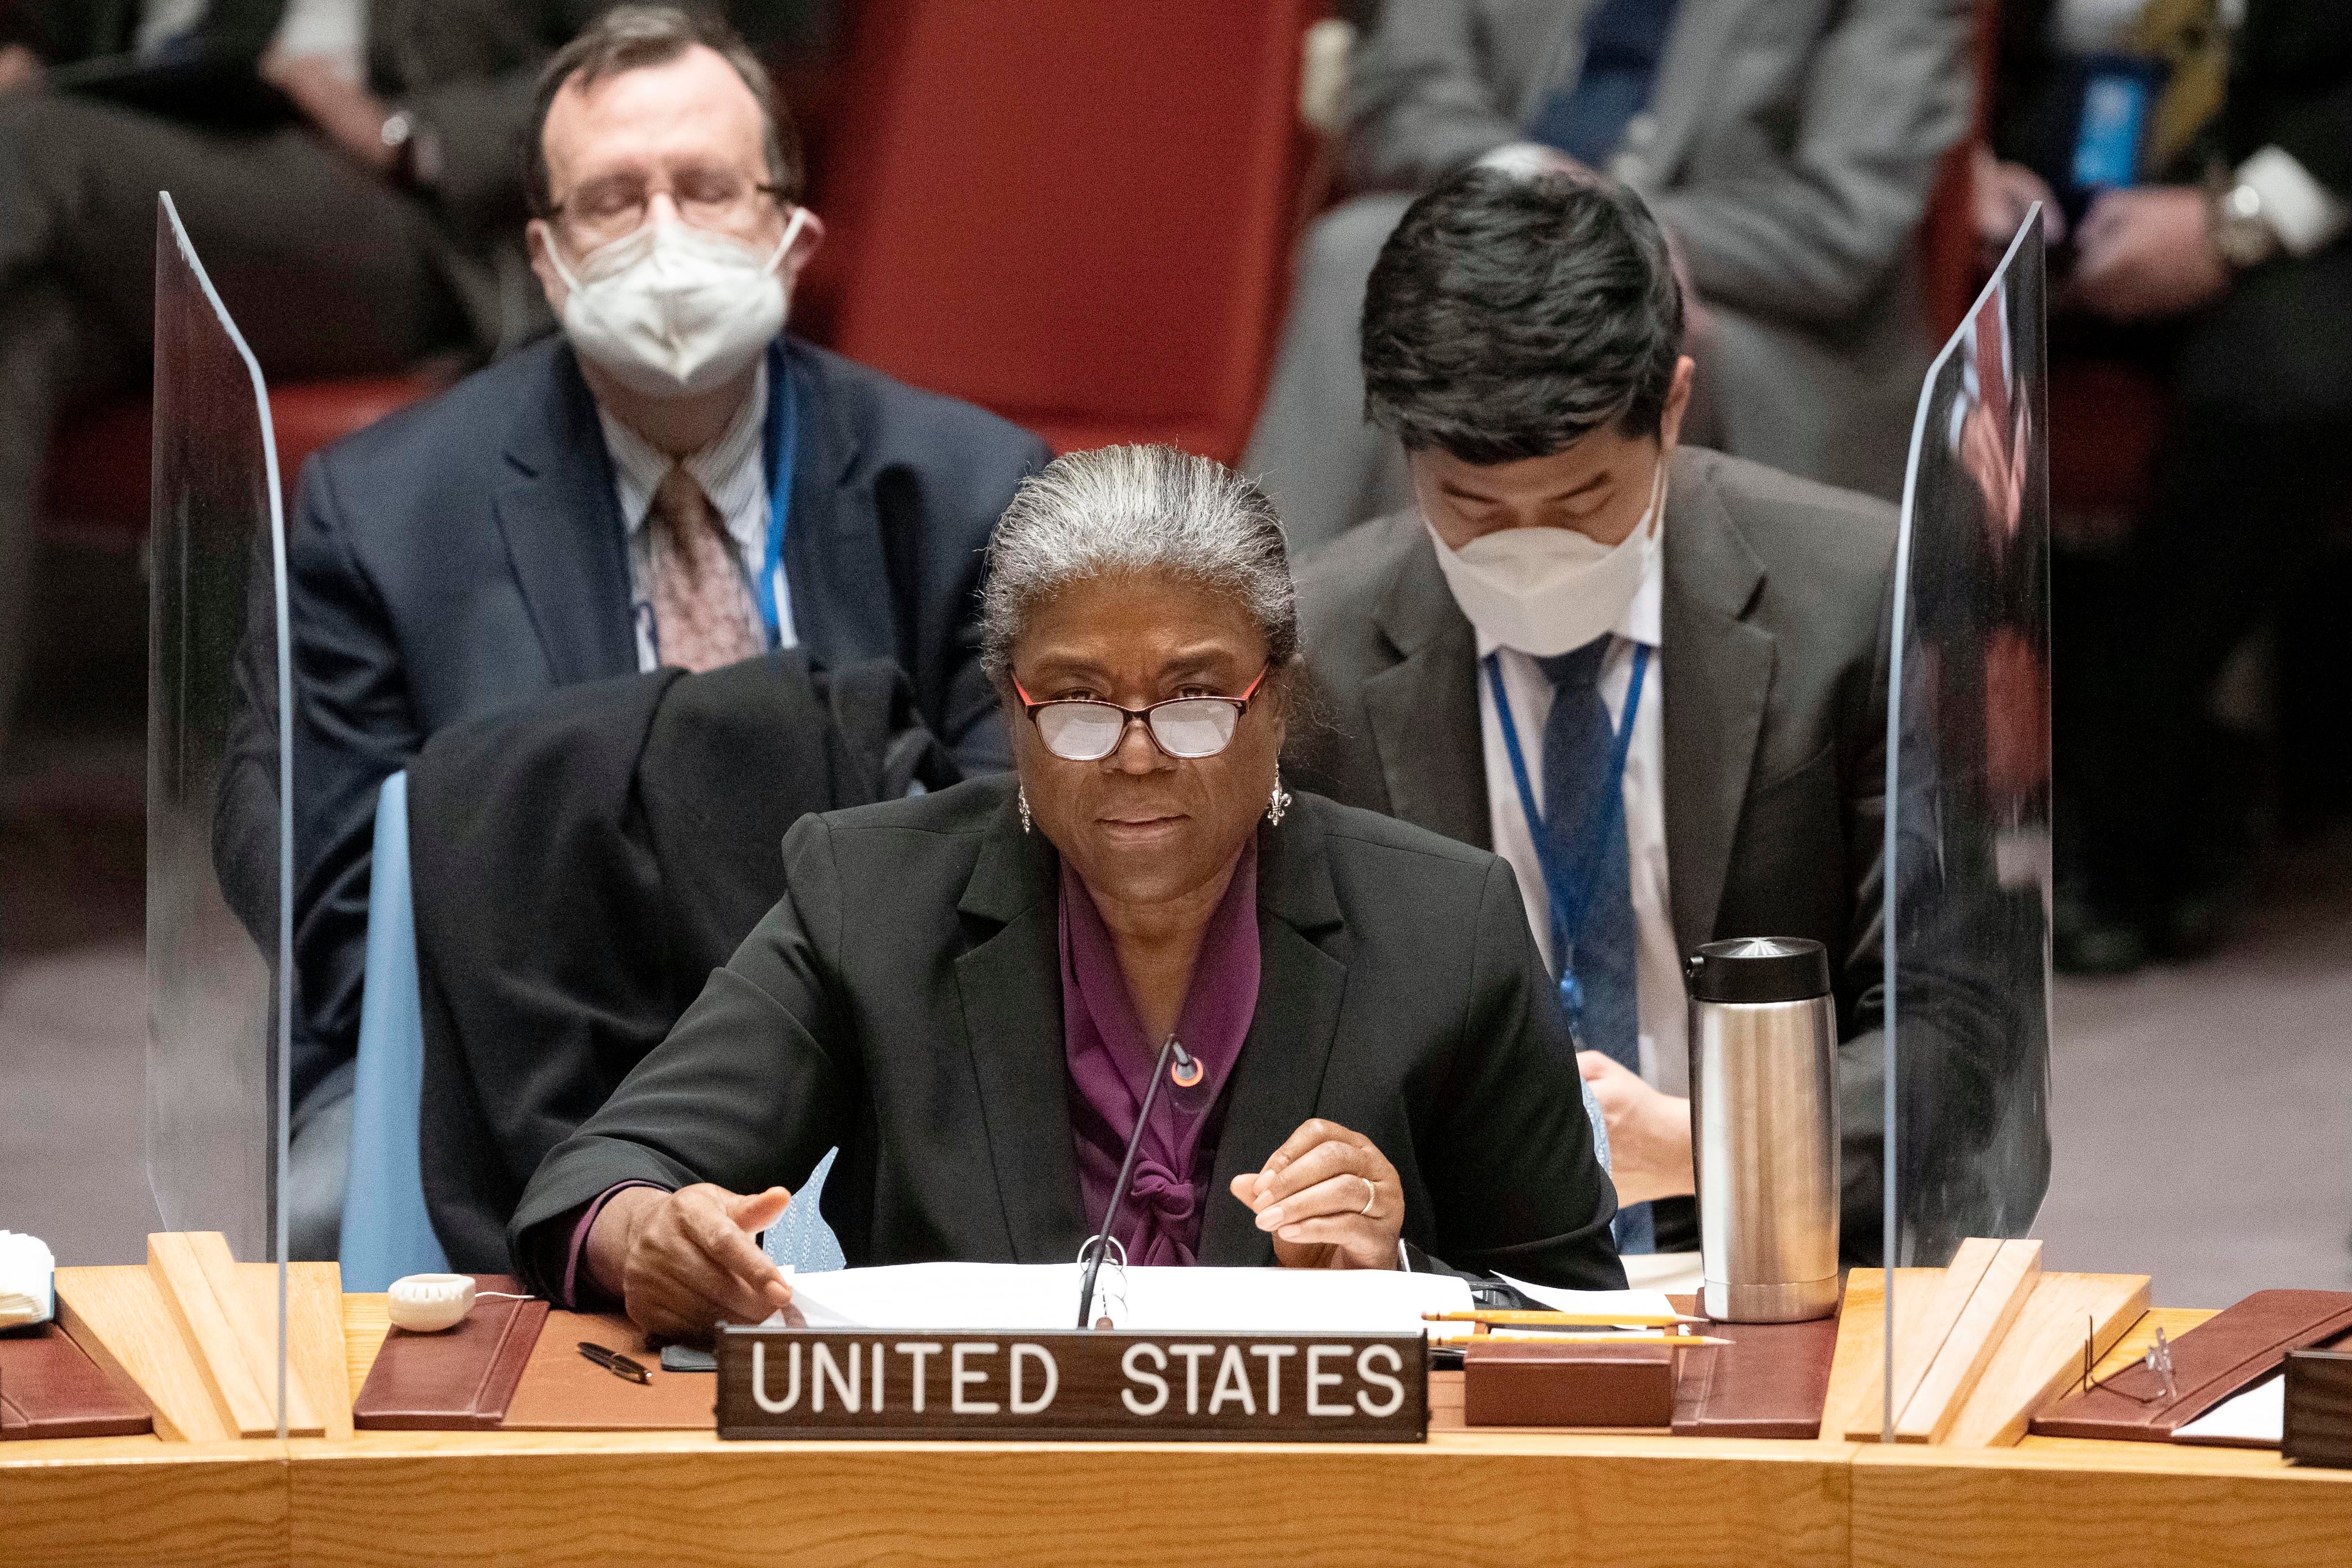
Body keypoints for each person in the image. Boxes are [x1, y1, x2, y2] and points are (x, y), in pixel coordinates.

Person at [508, 444, 1623, 1339]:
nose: (1137, 757)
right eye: (1082, 703)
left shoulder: (1447, 924)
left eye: (1193, 697)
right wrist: (650, 1235)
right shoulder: (872, 896)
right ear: (1013, 709)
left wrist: (1398, 1283)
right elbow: (598, 1180)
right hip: (963, 1505)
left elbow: (1586, 1317)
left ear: (1274, 699)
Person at [276, 5, 1046, 1257]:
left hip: (882, 1046)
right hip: (517, 1052)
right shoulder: (386, 514)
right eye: (613, 200)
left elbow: (1011, 844)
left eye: (705, 187)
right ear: (545, 255)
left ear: (790, 230)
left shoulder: (967, 490)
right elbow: (339, 896)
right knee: (323, 1212)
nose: (666, 236)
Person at [1286, 170, 1894, 1259]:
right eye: (1470, 509)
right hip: (1458, 1266)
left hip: (1785, 1251)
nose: (1531, 550)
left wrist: (1716, 1142)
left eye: (1582, 505)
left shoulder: (1861, 598)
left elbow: (1957, 1039)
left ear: (1671, 409)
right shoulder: (1314, 650)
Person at [1245, 0, 1973, 553]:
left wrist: (1622, 234)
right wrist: (1527, 182)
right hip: (1496, 212)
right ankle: (1259, 642)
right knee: (1361, 255)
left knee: (1569, 308)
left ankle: (1388, 688)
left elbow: (1843, 222)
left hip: (1753, 318)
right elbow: (1403, 93)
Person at [1978, 0, 2352, 969]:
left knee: (2293, 391)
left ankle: (2128, 765)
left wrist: (2240, 221)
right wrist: (1966, 164)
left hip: (2288, 189)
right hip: (2044, 185)